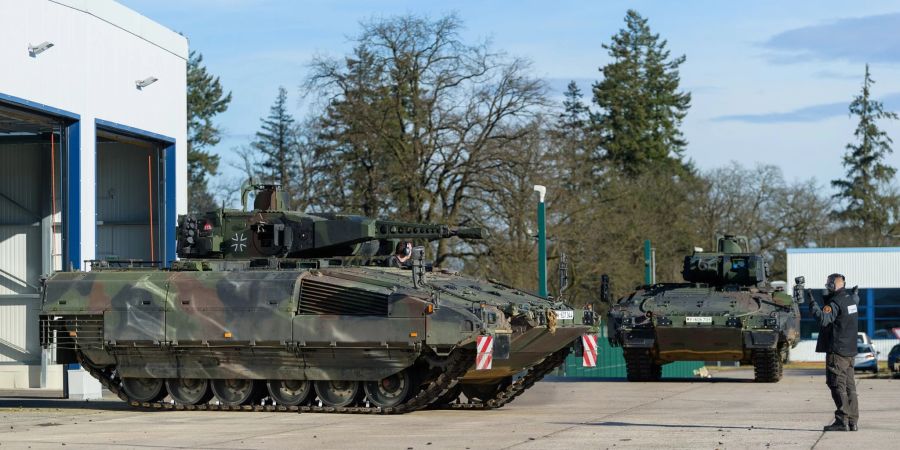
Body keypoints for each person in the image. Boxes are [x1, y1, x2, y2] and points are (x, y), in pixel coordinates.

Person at [809, 273, 860, 432]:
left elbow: (824, 319)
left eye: (827, 284)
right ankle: (852, 421)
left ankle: (841, 420)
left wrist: (812, 304)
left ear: (832, 285)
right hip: (850, 352)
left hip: (837, 352)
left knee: (837, 385)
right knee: (849, 388)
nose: (826, 286)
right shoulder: (851, 299)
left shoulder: (835, 302)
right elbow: (845, 310)